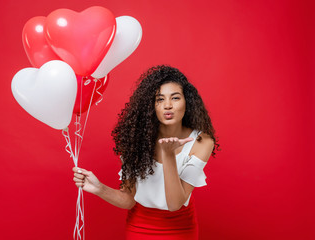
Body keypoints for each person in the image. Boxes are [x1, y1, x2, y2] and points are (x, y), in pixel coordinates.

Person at [73, 65, 219, 240]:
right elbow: (129, 200)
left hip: (181, 229)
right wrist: (99, 189)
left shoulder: (202, 142)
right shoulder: (136, 141)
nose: (167, 105)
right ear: (151, 106)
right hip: (140, 227)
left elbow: (174, 204)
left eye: (175, 98)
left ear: (187, 102)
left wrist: (168, 154)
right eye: (159, 99)